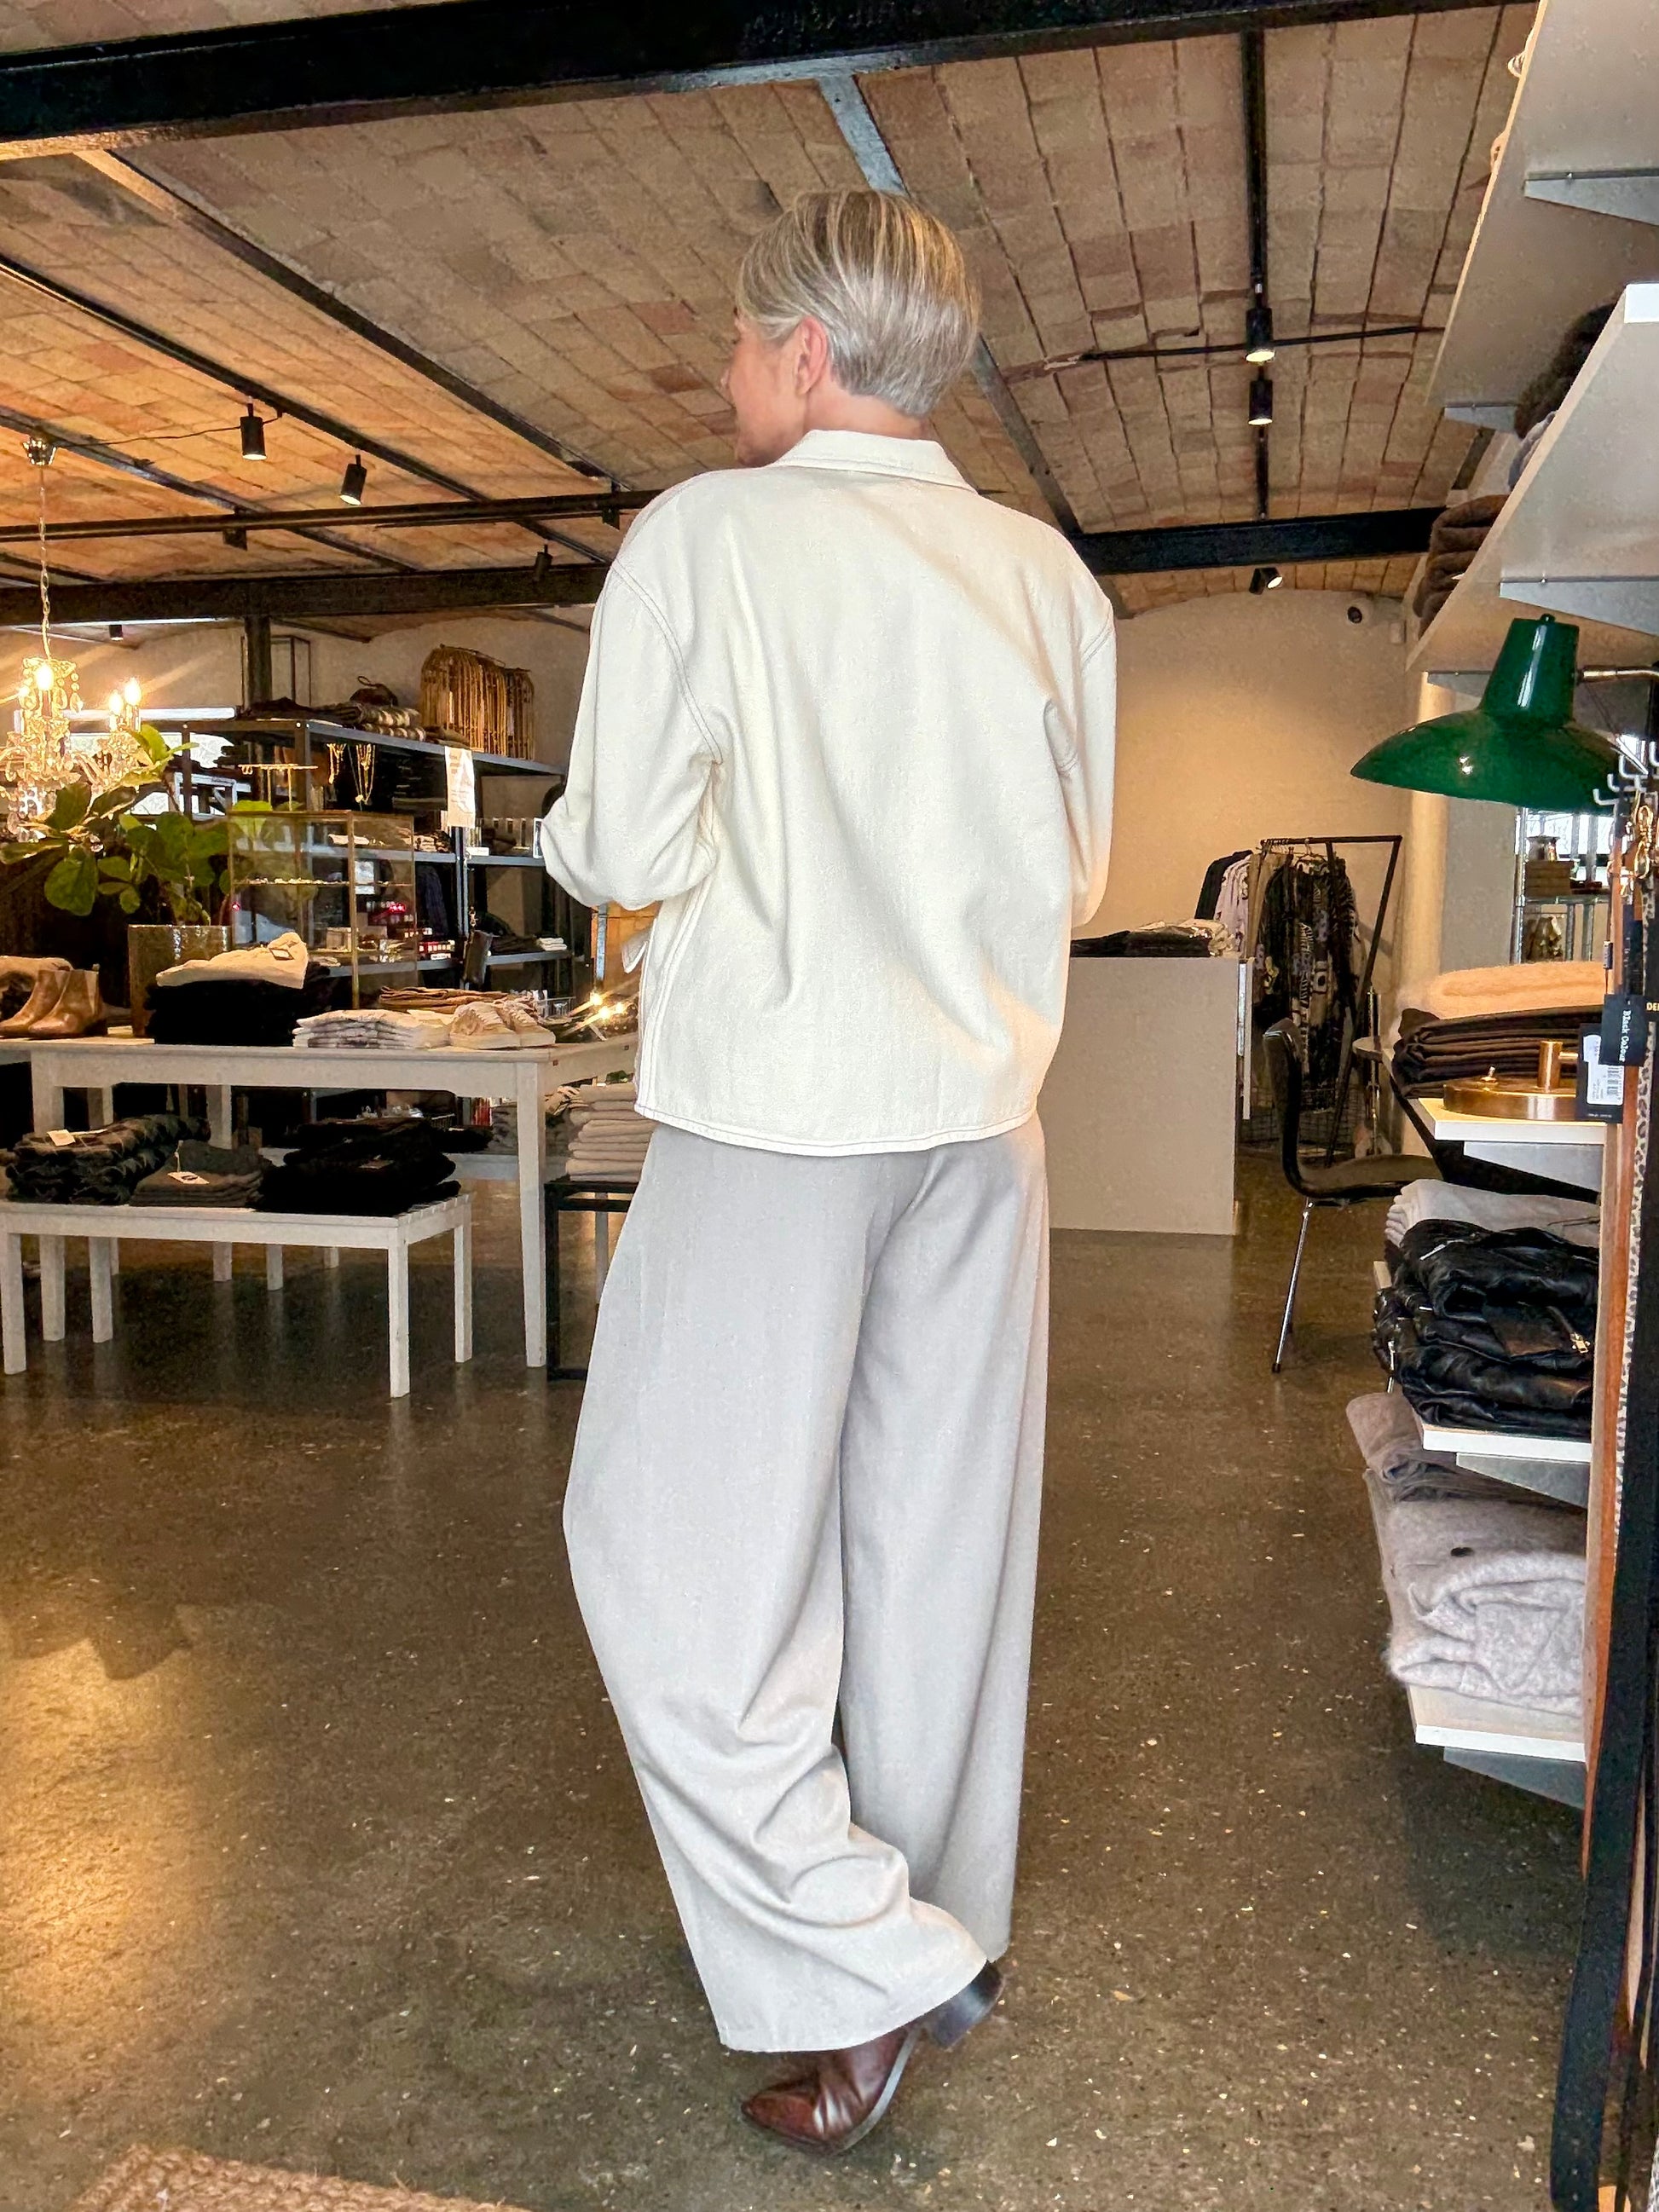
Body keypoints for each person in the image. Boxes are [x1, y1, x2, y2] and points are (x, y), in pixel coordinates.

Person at [540, 188, 1115, 2156]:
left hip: (779, 1114)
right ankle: (897, 1965)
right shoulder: (1046, 575)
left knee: (670, 1560)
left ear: (803, 349)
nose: (725, 380)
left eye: (734, 344)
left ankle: (866, 1947)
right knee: (934, 1559)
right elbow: (1076, 869)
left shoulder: (709, 537)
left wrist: (618, 841)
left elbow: (620, 845)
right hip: (980, 1123)